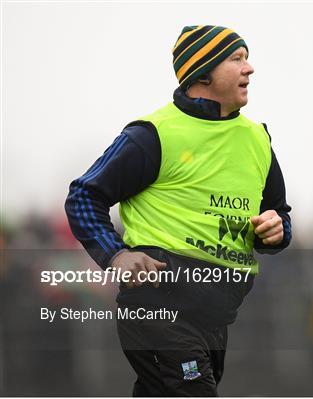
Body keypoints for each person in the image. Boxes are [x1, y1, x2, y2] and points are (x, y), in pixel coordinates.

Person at [65, 25, 292, 396]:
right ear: (202, 72)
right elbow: (83, 196)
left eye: (247, 58)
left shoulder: (257, 139)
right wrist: (115, 254)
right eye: (236, 59)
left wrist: (277, 228)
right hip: (159, 308)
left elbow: (279, 214)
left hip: (215, 320)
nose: (249, 69)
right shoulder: (153, 134)